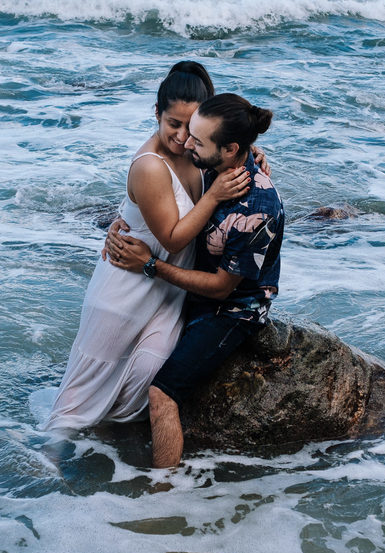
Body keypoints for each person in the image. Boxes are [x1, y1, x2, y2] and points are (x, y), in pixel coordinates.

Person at [44, 62, 254, 430]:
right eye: (173, 123)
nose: (182, 136)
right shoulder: (150, 166)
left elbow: (229, 145)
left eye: (191, 127)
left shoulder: (196, 151)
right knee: (79, 399)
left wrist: (253, 153)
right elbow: (173, 237)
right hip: (125, 288)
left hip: (168, 293)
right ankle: (44, 459)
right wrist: (214, 196)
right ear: (156, 113)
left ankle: (108, 456)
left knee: (144, 377)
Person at [108, 93, 285, 468]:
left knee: (161, 394)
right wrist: (124, 222)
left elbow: (222, 288)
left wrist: (150, 265)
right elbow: (161, 185)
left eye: (197, 140)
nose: (187, 143)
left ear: (229, 149)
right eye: (189, 132)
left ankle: (164, 491)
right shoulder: (211, 164)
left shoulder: (258, 206)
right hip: (188, 291)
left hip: (232, 310)